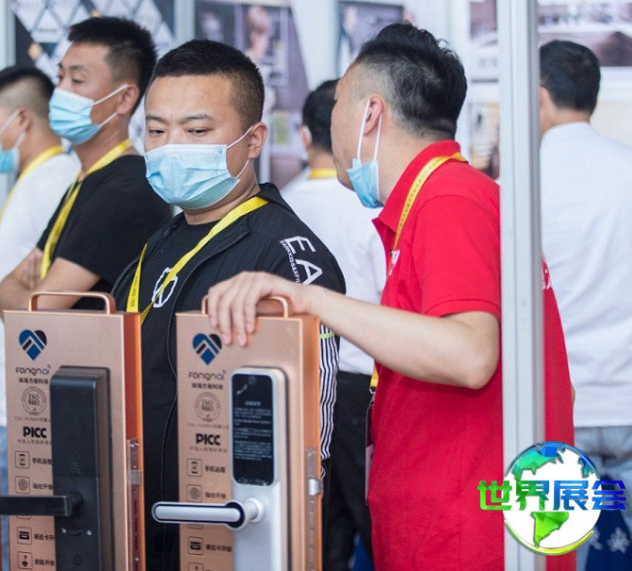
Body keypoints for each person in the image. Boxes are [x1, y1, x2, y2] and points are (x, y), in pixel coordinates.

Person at [205, 23, 575, 570]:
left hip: (466, 531)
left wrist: (309, 299)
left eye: (339, 103)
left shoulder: (450, 200)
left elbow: (469, 354)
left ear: (370, 113)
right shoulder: (446, 198)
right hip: (463, 514)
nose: (333, 121)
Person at [111, 39, 345, 570]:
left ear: (254, 139)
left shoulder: (285, 258)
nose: (171, 147)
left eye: (196, 131)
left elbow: (313, 441)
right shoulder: (160, 243)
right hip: (145, 534)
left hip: (234, 537)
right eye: (156, 130)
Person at [0, 64, 79, 571]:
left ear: (21, 119)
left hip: (24, 402)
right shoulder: (33, 180)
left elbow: (42, 294)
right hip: (3, 397)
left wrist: (9, 292)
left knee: (22, 546)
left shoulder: (56, 182)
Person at [0, 17, 170, 312]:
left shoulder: (125, 190)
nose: (61, 91)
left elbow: (32, 312)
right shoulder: (85, 180)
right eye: (60, 77)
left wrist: (25, 294)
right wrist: (18, 295)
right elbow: (7, 290)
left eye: (77, 81)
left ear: (125, 98)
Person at [281, 78, 384, 570]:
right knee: (376, 521)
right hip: (363, 383)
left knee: (320, 530)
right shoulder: (371, 204)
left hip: (301, 385)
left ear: (305, 136)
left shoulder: (281, 205)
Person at [539, 39, 632, 567]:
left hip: (555, 408)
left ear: (539, 95)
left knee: (552, 555)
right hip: (628, 396)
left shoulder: (512, 189)